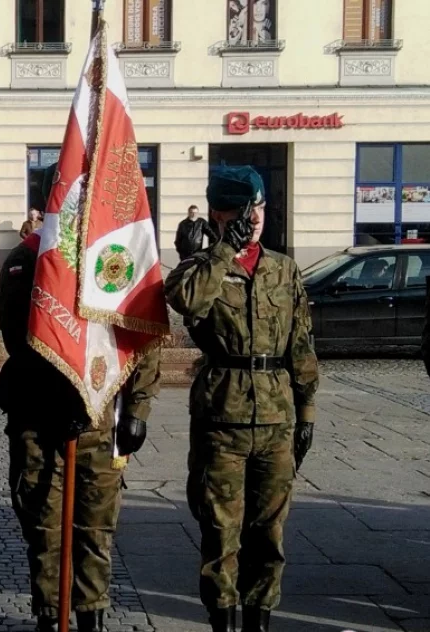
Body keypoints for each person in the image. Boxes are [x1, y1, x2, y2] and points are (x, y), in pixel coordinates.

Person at [0, 163, 162, 632]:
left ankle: (92, 620)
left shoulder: (113, 256)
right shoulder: (27, 260)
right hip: (39, 421)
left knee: (95, 531)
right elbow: (21, 342)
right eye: (67, 195)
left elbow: (140, 332)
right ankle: (51, 619)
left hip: (98, 420)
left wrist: (137, 408)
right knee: (45, 530)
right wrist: (60, 393)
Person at [164, 166, 319, 632]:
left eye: (259, 209)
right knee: (221, 532)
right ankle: (221, 620)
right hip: (223, 420)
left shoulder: (283, 269)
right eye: (243, 211)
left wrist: (307, 411)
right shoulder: (199, 267)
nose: (254, 219)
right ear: (219, 213)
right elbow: (187, 301)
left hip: (276, 419)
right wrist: (223, 251)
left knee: (269, 533)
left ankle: (259, 620)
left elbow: (301, 343)